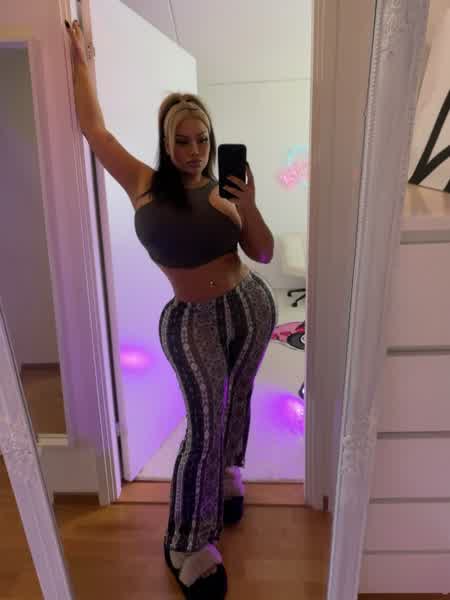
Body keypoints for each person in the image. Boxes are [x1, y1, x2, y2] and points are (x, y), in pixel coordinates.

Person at [65, 19, 278, 599]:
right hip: (191, 321)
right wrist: (82, 61)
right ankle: (187, 542)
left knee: (239, 398)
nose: (194, 151)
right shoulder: (143, 183)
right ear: (167, 141)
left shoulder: (225, 190)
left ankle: (230, 478)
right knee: (202, 429)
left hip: (249, 306)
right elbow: (95, 130)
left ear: (212, 140)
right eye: (182, 140)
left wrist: (249, 205)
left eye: (202, 139)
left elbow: (262, 251)